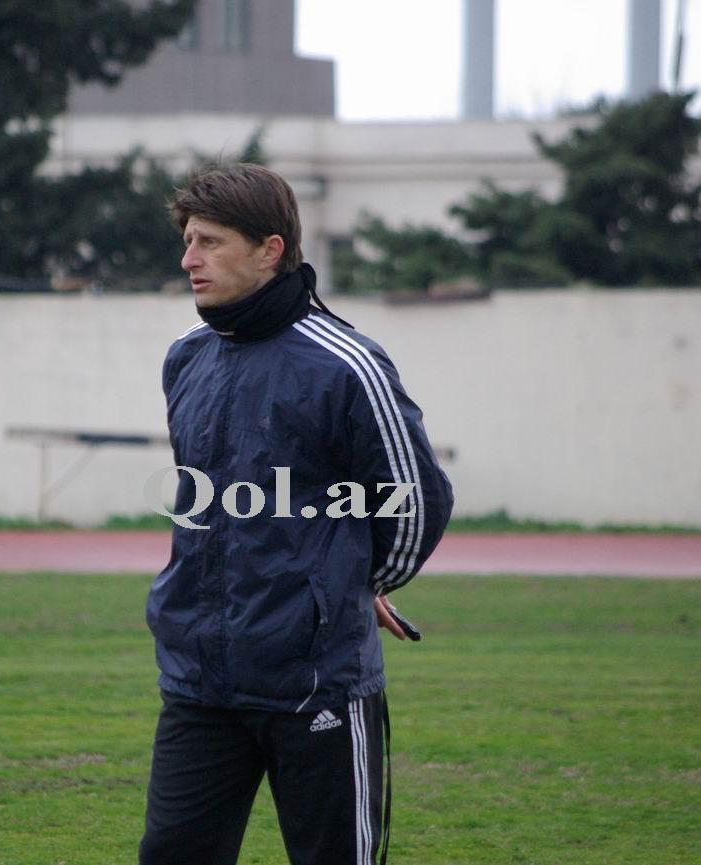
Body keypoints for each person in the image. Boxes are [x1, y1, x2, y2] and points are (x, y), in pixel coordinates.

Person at [140, 163, 453, 865]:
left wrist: (356, 581)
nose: (189, 259)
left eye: (210, 242)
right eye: (188, 241)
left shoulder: (348, 364)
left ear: (270, 250)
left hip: (316, 683)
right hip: (200, 681)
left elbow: (416, 500)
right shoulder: (186, 358)